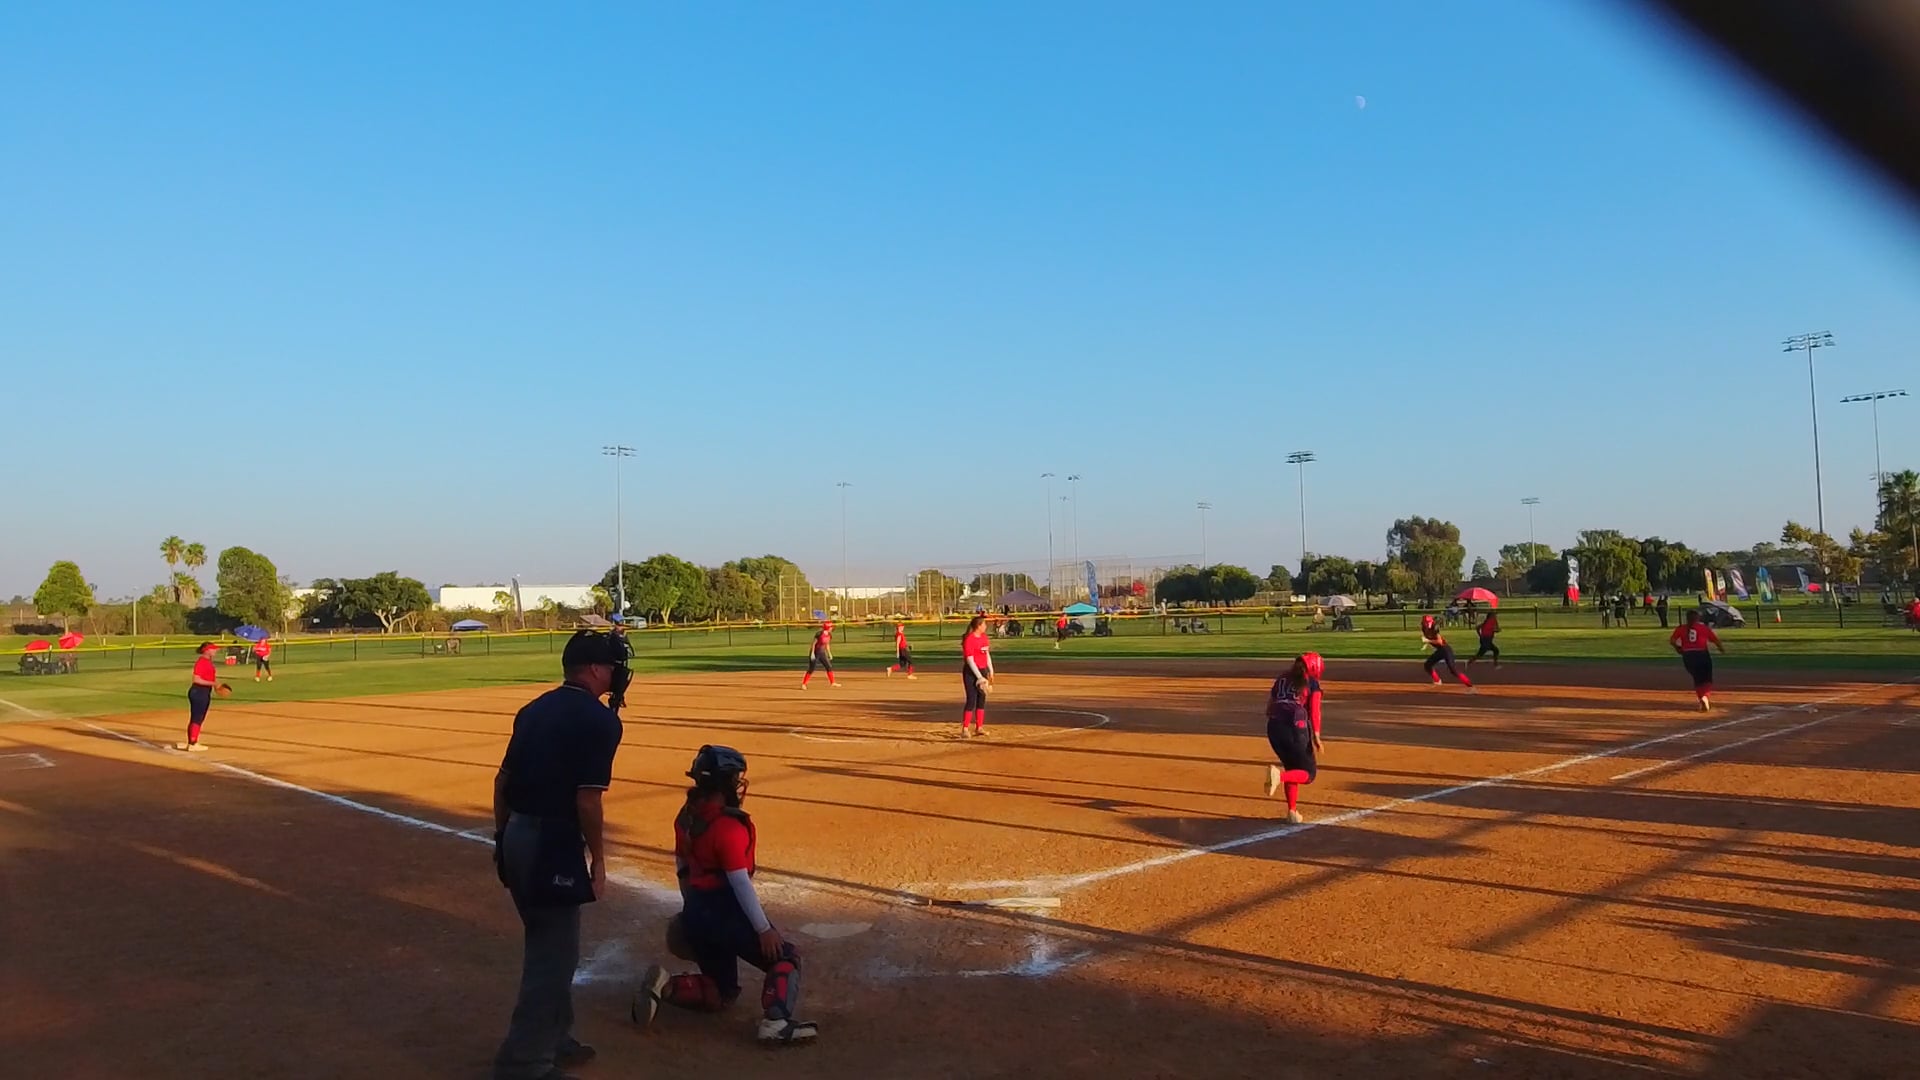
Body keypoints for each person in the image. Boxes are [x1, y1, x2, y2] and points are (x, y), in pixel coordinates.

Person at [491, 630, 628, 1080]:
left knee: (553, 945)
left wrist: (502, 838)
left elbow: (502, 782)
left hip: (518, 835)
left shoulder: (533, 709)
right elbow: (587, 801)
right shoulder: (600, 721)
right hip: (551, 844)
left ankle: (554, 1037)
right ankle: (523, 1063)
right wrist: (599, 860)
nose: (616, 673)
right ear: (593, 669)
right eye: (611, 666)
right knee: (552, 958)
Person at [632, 746, 818, 1045]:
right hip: (726, 909)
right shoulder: (728, 826)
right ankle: (776, 1022)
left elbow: (682, 867)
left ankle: (665, 987)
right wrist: (763, 929)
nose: (737, 783)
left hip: (697, 908)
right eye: (734, 778)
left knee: (721, 991)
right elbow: (739, 882)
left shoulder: (687, 816)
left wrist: (692, 911)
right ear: (724, 782)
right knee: (784, 958)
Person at [1262, 653, 1325, 824]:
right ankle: (1279, 777)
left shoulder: (1282, 678)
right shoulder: (1311, 683)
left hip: (1273, 728)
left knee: (1292, 768)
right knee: (1308, 774)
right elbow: (1315, 711)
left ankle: (1292, 811)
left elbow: (1269, 706)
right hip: (1295, 728)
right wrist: (1316, 736)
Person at [1669, 609, 1726, 711]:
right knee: (1707, 679)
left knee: (1697, 679)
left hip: (1688, 656)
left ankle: (1701, 699)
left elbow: (1672, 640)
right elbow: (1715, 640)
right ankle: (1705, 696)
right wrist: (1721, 649)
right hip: (1702, 654)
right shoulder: (1703, 628)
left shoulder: (1681, 628)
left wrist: (1678, 648)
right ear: (1697, 618)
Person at [175, 642, 220, 752]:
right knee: (198, 718)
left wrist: (215, 686)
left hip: (201, 692)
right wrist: (213, 684)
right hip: (199, 692)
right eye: (213, 649)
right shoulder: (202, 662)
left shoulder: (207, 662)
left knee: (195, 717)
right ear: (206, 650)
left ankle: (191, 742)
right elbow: (196, 679)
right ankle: (193, 743)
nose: (215, 651)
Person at [1420, 615, 1474, 691]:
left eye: (1426, 622)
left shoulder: (1434, 628)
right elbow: (1429, 638)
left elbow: (1439, 642)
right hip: (1440, 650)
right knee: (1427, 665)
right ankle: (1437, 681)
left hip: (1445, 649)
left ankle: (1469, 684)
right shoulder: (1424, 629)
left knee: (1453, 670)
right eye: (1424, 622)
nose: (1424, 624)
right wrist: (1426, 644)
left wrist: (1427, 641)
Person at [961, 614, 994, 736]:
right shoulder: (969, 639)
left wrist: (991, 670)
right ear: (978, 626)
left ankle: (979, 727)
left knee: (982, 699)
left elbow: (986, 654)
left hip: (982, 670)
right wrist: (979, 677)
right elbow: (970, 660)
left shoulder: (984, 637)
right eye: (984, 624)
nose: (986, 626)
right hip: (971, 672)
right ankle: (965, 729)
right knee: (971, 699)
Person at [800, 621, 838, 689]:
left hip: (822, 653)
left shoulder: (829, 635)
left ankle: (832, 682)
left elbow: (827, 644)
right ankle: (804, 684)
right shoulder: (819, 634)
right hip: (815, 652)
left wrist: (829, 653)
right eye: (831, 627)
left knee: (828, 666)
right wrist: (812, 653)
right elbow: (813, 644)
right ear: (827, 627)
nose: (832, 628)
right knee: (811, 668)